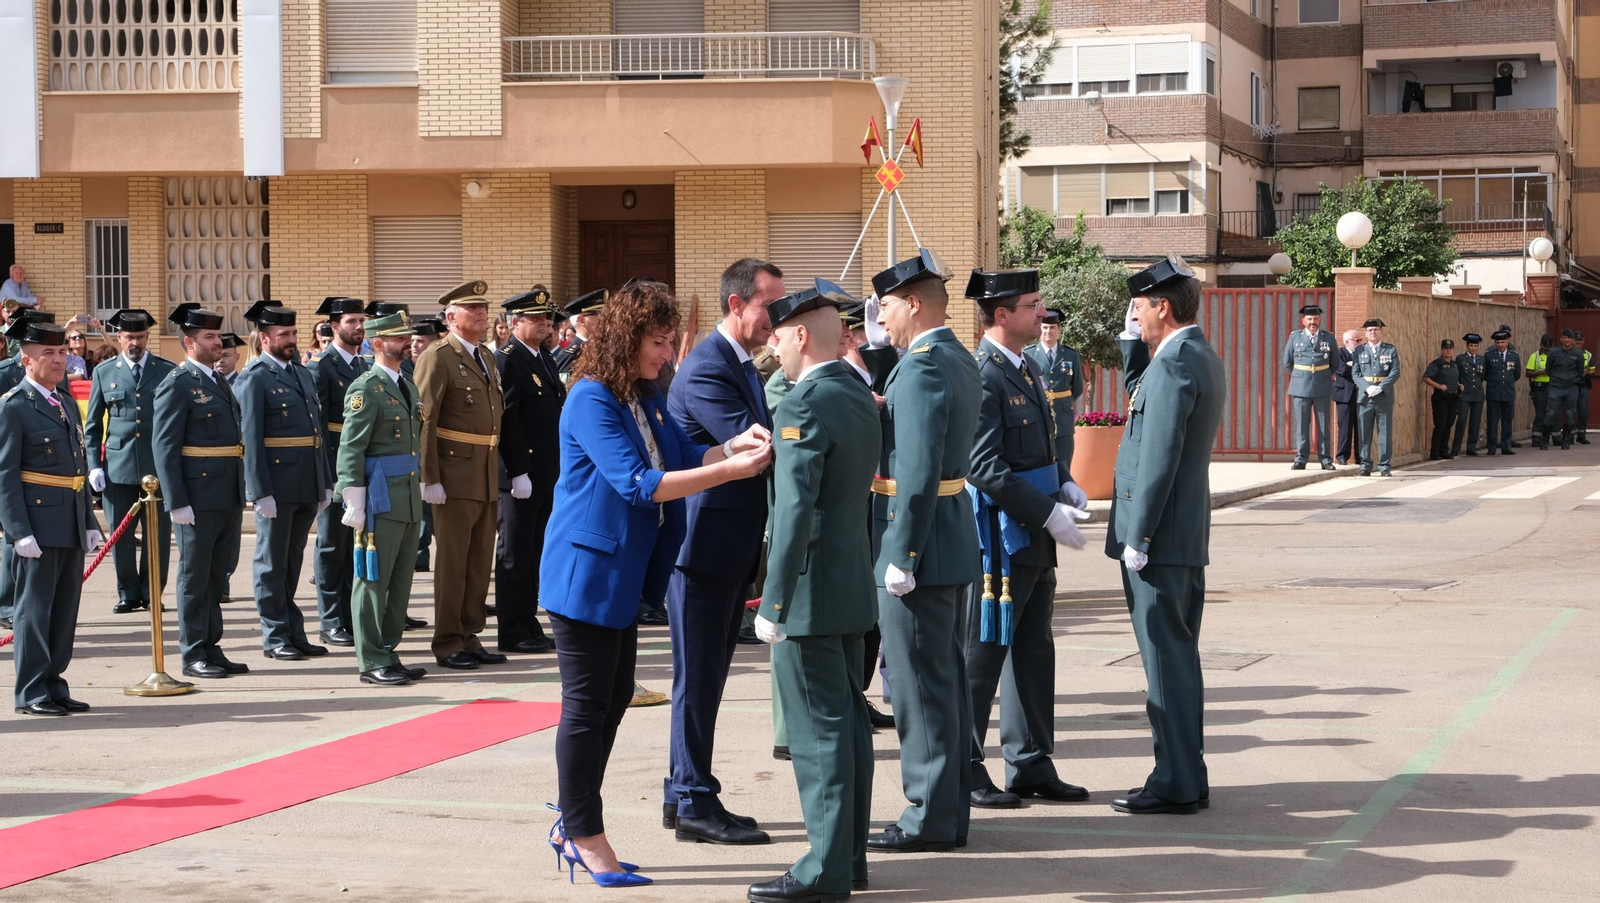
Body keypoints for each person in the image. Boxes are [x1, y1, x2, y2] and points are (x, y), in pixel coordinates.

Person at [540, 280, 770, 887]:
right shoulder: (591, 398)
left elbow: (685, 455)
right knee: (588, 708)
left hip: (620, 575)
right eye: (660, 342)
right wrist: (730, 470)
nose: (669, 354)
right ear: (627, 338)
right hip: (586, 575)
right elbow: (639, 482)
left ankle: (575, 820)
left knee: (612, 700)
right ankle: (582, 831)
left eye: (670, 342)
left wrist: (731, 444)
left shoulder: (644, 396)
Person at [747, 280, 880, 903]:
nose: (773, 349)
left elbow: (795, 513)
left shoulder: (803, 404)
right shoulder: (855, 393)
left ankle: (824, 871)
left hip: (808, 593)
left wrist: (773, 603)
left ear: (801, 335)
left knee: (818, 735)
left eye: (777, 337)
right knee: (848, 726)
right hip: (849, 582)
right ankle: (846, 856)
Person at [661, 259, 783, 846]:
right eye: (768, 305)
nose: (775, 316)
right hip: (702, 548)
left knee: (704, 676)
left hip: (724, 545)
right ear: (737, 305)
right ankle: (693, 801)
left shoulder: (738, 363)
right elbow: (756, 447)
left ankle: (681, 789)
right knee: (698, 679)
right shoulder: (710, 368)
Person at [866, 249, 982, 854]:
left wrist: (901, 555)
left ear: (913, 303)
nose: (880, 318)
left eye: (885, 305)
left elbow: (915, 471)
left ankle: (928, 816)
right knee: (943, 680)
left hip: (921, 542)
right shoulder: (954, 359)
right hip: (950, 534)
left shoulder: (921, 369)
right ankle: (948, 811)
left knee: (917, 685)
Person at [963, 268, 1092, 811]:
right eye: (1033, 305)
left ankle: (1030, 760)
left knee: (1033, 650)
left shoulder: (1027, 367)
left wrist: (1062, 477)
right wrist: (1046, 513)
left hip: (1035, 530)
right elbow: (983, 466)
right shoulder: (984, 375)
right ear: (1002, 315)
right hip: (1003, 534)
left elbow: (1043, 441)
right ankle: (965, 766)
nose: (1042, 314)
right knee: (984, 654)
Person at [1105, 255, 1226, 815]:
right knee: (1176, 658)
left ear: (1164, 307)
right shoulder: (1190, 354)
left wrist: (1140, 535)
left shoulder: (1176, 362)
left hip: (1161, 539)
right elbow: (1144, 408)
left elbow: (1159, 455)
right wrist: (1133, 346)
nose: (1134, 315)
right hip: (1179, 536)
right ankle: (1186, 773)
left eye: (1138, 307)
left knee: (1164, 662)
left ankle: (1176, 780)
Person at [0, 316, 101, 716]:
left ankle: (53, 682)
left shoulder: (64, 405)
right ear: (27, 361)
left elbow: (76, 468)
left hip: (70, 522)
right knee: (34, 611)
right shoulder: (14, 407)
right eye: (48, 353)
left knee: (63, 611)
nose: (59, 360)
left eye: (61, 352)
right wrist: (17, 529)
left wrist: (90, 523)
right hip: (37, 526)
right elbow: (5, 475)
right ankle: (31, 691)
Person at [151, 304, 248, 678]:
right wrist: (176, 501)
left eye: (218, 336)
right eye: (209, 337)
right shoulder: (177, 383)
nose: (218, 342)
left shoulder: (218, 380)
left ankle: (212, 645)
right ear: (189, 342)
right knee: (194, 576)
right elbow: (165, 446)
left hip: (225, 492)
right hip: (197, 495)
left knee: (215, 575)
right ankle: (193, 652)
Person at [415, 280, 506, 670]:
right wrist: (428, 476)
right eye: (473, 309)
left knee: (478, 561)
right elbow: (426, 420)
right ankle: (448, 641)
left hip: (484, 472)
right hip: (452, 475)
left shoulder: (485, 355)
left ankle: (470, 637)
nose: (482, 314)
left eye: (484, 308)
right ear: (451, 318)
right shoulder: (438, 356)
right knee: (452, 563)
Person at [335, 311, 428, 686]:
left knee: (401, 580)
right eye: (398, 337)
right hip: (377, 498)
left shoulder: (407, 384)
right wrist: (352, 498)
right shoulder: (365, 389)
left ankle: (389, 650)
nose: (407, 342)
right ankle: (371, 659)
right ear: (377, 343)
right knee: (372, 580)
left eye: (407, 336)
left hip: (407, 494)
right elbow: (350, 448)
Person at [238, 300, 335, 661]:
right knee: (271, 562)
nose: (291, 339)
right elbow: (249, 439)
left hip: (305, 482)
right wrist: (259, 490)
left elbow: (316, 434)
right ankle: (275, 634)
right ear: (264, 338)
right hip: (276, 486)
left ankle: (294, 631)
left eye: (294, 333)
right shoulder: (254, 378)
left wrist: (325, 480)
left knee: (292, 561)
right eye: (283, 334)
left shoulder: (301, 373)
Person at [86, 308, 175, 616]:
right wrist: (93, 465)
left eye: (140, 336)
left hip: (157, 466)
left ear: (147, 337)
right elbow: (93, 424)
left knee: (157, 535)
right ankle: (127, 592)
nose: (135, 342)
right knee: (120, 536)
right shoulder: (104, 371)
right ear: (120, 338)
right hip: (118, 465)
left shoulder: (165, 370)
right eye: (129, 337)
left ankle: (152, 592)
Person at [494, 287, 566, 655]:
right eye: (536, 318)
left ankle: (528, 621)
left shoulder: (544, 358)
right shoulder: (507, 360)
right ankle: (511, 628)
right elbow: (508, 421)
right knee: (514, 555)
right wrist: (517, 471)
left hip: (545, 473)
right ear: (514, 323)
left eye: (548, 318)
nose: (545, 324)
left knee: (535, 552)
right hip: (520, 477)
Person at [307, 297, 369, 649]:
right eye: (351, 321)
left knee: (353, 545)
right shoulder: (322, 367)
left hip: (360, 465)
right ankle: (330, 620)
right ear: (334, 327)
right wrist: (327, 477)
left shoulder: (363, 364)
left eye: (361, 321)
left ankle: (348, 615)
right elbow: (317, 427)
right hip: (335, 465)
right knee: (331, 545)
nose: (358, 327)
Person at [1024, 310, 1085, 469]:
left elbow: (1077, 387)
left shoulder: (1071, 355)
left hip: (1063, 420)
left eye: (1052, 328)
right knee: (1040, 465)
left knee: (1064, 464)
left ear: (1059, 329)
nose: (1048, 332)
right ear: (1039, 329)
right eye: (1044, 328)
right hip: (1039, 417)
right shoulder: (1028, 354)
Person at [407, 317, 442, 581]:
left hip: (440, 456)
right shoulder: (403, 369)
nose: (415, 346)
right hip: (412, 455)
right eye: (412, 341)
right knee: (418, 514)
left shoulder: (437, 364)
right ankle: (419, 558)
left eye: (421, 341)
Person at [1282, 304, 1337, 471]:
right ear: (1303, 321)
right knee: (1302, 426)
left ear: (1320, 320)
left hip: (1322, 386)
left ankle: (1326, 459)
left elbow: (1335, 363)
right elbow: (1287, 363)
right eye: (1310, 319)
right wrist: (1301, 376)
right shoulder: (1294, 338)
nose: (1313, 322)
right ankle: (1301, 459)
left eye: (1316, 319)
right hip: (1300, 387)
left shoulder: (1328, 338)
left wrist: (1323, 375)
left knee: (1323, 425)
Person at [1353, 319, 1400, 477]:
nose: (1373, 332)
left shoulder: (1390, 350)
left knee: (1384, 434)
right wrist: (1367, 387)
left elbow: (1395, 372)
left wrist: (1380, 387)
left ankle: (1384, 466)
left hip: (1383, 396)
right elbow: (1355, 373)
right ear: (1365, 333)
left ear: (1381, 332)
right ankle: (1365, 465)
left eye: (1376, 330)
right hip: (1365, 397)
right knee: (1364, 433)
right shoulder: (1359, 351)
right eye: (1370, 330)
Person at [1542, 329, 1585, 450]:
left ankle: (1566, 440)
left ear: (1572, 340)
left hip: (1571, 387)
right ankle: (1544, 439)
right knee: (1550, 413)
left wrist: (1574, 380)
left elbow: (1580, 371)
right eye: (1564, 338)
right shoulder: (1553, 352)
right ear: (1561, 339)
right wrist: (1557, 379)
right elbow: (1548, 369)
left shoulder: (1578, 354)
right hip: (1556, 386)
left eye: (1569, 338)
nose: (1566, 340)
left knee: (1570, 413)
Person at [1422, 339, 1462, 461]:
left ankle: (1444, 451)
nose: (1448, 350)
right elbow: (1426, 378)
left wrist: (1459, 385)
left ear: (1453, 350)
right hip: (1441, 398)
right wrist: (1439, 386)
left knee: (1448, 425)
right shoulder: (1437, 364)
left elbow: (1454, 378)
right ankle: (1434, 452)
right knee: (1440, 425)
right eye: (1445, 348)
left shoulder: (1454, 364)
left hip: (1453, 398)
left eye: (1450, 348)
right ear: (1442, 350)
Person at [552, 288, 606, 377]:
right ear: (581, 320)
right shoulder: (570, 355)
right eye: (598, 315)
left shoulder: (602, 347)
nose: (603, 319)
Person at [1484, 329, 1521, 455]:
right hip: (1493, 393)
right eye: (1498, 342)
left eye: (1503, 342)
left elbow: (1517, 374)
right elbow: (1485, 374)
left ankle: (1506, 447)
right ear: (1495, 343)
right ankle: (1491, 447)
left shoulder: (1514, 356)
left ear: (1507, 342)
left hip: (1508, 393)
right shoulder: (1489, 355)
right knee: (1492, 422)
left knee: (1507, 421)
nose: (1500, 345)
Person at [1452, 334, 1486, 457]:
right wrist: (1459, 385)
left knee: (1475, 422)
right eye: (1471, 345)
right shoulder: (1461, 358)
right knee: (1461, 420)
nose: (1473, 348)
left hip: (1477, 394)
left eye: (1475, 346)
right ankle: (1456, 448)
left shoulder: (1482, 359)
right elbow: (1457, 375)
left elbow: (1482, 376)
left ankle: (1471, 447)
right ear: (1467, 346)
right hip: (1464, 395)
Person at [1332, 329, 1360, 465]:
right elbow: (1342, 370)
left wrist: (1353, 365)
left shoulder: (1362, 353)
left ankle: (1361, 457)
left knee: (1361, 427)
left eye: (1360, 340)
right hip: (1344, 395)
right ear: (1347, 342)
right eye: (1357, 340)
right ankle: (1342, 456)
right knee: (1345, 427)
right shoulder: (1338, 353)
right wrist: (1357, 366)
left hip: (1361, 395)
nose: (1360, 343)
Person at [1526, 334, 1552, 447]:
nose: (1547, 351)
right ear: (1540, 345)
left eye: (1549, 349)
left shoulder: (1555, 355)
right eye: (1545, 348)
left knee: (1553, 413)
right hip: (1540, 387)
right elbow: (1528, 373)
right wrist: (1540, 373)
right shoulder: (1534, 356)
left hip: (1553, 387)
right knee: (1540, 414)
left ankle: (1556, 438)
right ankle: (1536, 439)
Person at [1576, 331, 1594, 444]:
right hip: (1570, 385)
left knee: (1583, 411)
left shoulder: (1588, 354)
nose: (1578, 342)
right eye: (1576, 340)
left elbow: (1593, 369)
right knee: (1569, 411)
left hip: (1583, 385)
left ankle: (1581, 435)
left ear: (1583, 341)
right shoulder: (1567, 353)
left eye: (1580, 340)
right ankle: (1569, 435)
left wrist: (1588, 372)